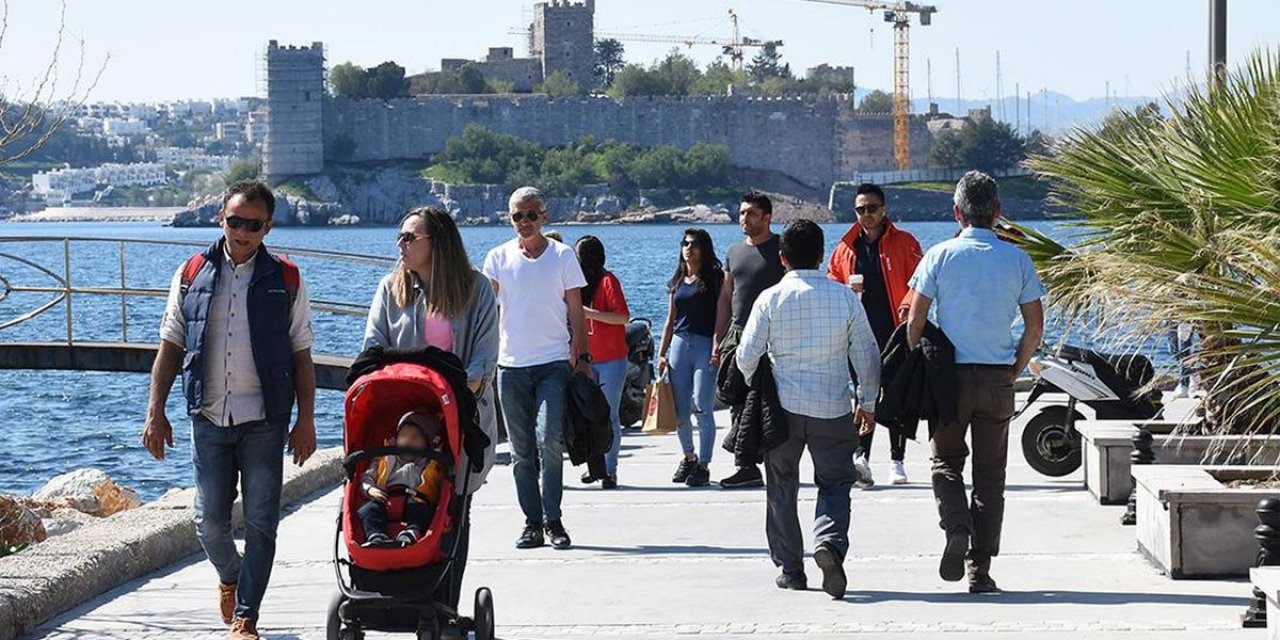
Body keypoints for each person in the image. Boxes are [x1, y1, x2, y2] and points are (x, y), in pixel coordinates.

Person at [142, 180, 316, 640]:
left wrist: (307, 420)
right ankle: (232, 575)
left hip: (265, 421)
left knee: (261, 523)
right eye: (235, 221)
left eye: (253, 225)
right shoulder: (191, 272)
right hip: (208, 417)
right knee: (208, 521)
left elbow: (302, 354)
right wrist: (155, 411)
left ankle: (246, 616)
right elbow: (170, 345)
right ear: (221, 217)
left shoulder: (287, 278)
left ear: (268, 228)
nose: (242, 232)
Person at [906, 171, 1046, 594]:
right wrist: (1015, 368)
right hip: (997, 377)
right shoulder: (1016, 259)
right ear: (998, 212)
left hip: (949, 380)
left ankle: (956, 526)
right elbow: (1034, 326)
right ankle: (979, 570)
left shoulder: (939, 255)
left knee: (946, 463)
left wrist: (917, 364)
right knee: (990, 475)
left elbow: (915, 319)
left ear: (957, 213)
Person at [362, 206, 498, 621]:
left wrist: (453, 394)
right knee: (393, 504)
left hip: (458, 418)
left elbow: (483, 359)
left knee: (453, 510)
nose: (400, 245)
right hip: (404, 419)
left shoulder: (475, 289)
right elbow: (373, 346)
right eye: (400, 237)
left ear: (437, 243)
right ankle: (388, 594)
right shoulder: (392, 289)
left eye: (409, 237)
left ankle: (444, 604)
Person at [736, 219, 881, 599]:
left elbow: (746, 357)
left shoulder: (770, 298)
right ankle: (828, 543)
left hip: (782, 410)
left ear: (782, 258)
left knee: (781, 485)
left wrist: (756, 383)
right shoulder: (845, 298)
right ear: (821, 256)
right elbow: (868, 356)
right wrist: (867, 402)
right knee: (835, 483)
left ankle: (791, 569)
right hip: (831, 407)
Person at [483, 187, 589, 550]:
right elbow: (485, 309)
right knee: (521, 450)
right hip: (510, 366)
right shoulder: (497, 257)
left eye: (531, 214)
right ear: (510, 218)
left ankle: (553, 519)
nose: (525, 222)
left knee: (549, 440)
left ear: (544, 216)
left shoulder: (562, 256)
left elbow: (576, 310)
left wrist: (583, 356)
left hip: (553, 364)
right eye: (518, 216)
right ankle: (532, 522)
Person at [828, 183, 924, 487]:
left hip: (895, 332)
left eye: (871, 208)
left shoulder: (905, 242)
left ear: (884, 210)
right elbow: (832, 280)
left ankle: (897, 461)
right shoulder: (845, 248)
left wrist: (908, 309)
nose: (866, 214)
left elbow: (920, 282)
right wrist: (845, 292)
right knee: (863, 396)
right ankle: (862, 458)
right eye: (860, 209)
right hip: (858, 333)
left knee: (897, 396)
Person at [713, 191, 786, 489]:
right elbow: (726, 297)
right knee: (736, 398)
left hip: (773, 336)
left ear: (767, 217)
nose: (745, 218)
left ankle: (776, 459)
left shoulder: (782, 248)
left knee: (771, 400)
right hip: (738, 334)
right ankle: (745, 465)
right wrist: (718, 339)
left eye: (751, 213)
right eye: (742, 212)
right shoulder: (733, 252)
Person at [657, 228, 724, 487]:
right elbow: (670, 320)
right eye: (685, 243)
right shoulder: (677, 281)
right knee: (681, 410)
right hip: (679, 344)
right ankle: (689, 457)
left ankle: (704, 464)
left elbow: (723, 314)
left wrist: (717, 345)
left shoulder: (715, 279)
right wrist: (661, 353)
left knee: (702, 405)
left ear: (704, 248)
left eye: (694, 244)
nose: (688, 248)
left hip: (704, 343)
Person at [575, 235, 631, 489]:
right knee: (587, 416)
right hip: (586, 358)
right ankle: (595, 467)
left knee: (609, 415)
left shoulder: (608, 281)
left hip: (611, 358)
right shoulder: (578, 285)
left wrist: (590, 313)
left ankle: (610, 469)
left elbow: (622, 317)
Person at [359, 412, 448, 548]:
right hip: (385, 499)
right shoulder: (384, 458)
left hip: (416, 501)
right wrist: (370, 489)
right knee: (368, 509)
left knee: (425, 512)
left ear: (427, 442)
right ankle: (376, 535)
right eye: (403, 436)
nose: (407, 441)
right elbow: (367, 477)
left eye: (415, 437)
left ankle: (412, 532)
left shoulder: (431, 462)